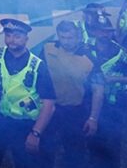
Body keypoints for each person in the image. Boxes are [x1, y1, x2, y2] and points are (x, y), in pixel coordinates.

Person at [0, 19, 56, 168]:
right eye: (8, 35)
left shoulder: (37, 66)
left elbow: (49, 104)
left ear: (26, 39)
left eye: (17, 36)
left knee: (25, 163)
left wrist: (36, 132)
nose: (11, 40)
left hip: (23, 125)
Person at [39, 21, 104, 168]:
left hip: (74, 111)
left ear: (78, 37)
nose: (66, 42)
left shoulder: (89, 57)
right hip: (50, 109)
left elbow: (98, 89)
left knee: (74, 151)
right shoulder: (47, 49)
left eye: (70, 38)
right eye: (62, 37)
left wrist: (93, 118)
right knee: (45, 147)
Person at [87, 12, 127, 168]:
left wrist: (114, 79)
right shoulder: (85, 48)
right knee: (91, 139)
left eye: (108, 31)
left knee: (113, 141)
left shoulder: (124, 55)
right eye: (101, 31)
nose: (105, 34)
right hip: (89, 101)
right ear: (93, 31)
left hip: (115, 104)